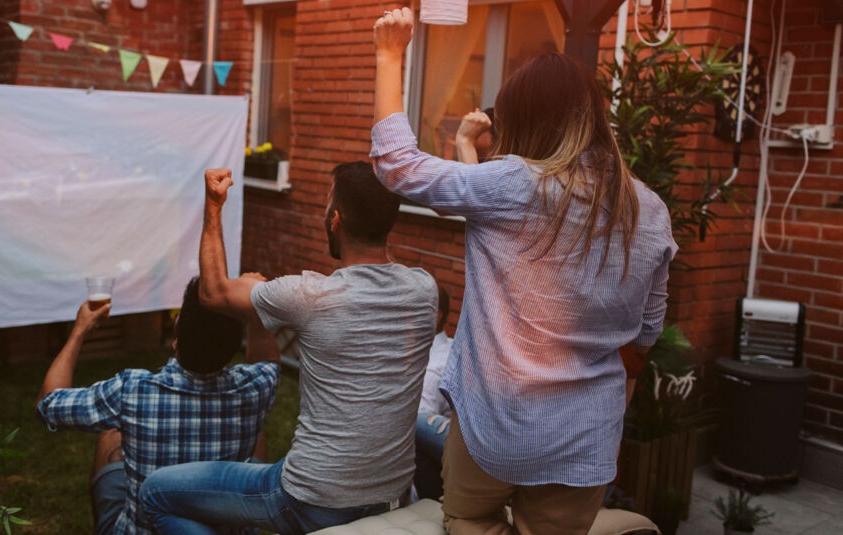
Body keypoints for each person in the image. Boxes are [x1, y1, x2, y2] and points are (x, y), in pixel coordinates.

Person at [372, 9, 678, 535]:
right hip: (586, 435)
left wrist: (390, 54)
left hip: (497, 421)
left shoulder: (512, 182)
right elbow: (647, 332)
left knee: (468, 518)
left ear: (526, 121)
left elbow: (397, 165)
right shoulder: (649, 209)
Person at [139, 161, 438, 535]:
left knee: (155, 494)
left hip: (311, 498)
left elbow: (213, 293)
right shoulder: (424, 291)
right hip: (389, 495)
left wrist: (214, 206)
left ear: (335, 221)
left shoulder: (310, 296)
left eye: (328, 204)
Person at [35, 278, 281, 535]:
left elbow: (47, 403)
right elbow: (266, 359)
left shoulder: (131, 390)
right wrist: (255, 302)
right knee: (257, 431)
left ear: (177, 334)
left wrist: (79, 331)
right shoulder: (255, 389)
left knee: (110, 436)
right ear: (234, 346)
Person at [414, 284, 453, 501]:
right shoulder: (448, 344)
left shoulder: (434, 366)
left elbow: (418, 421)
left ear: (435, 316)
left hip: (447, 458)